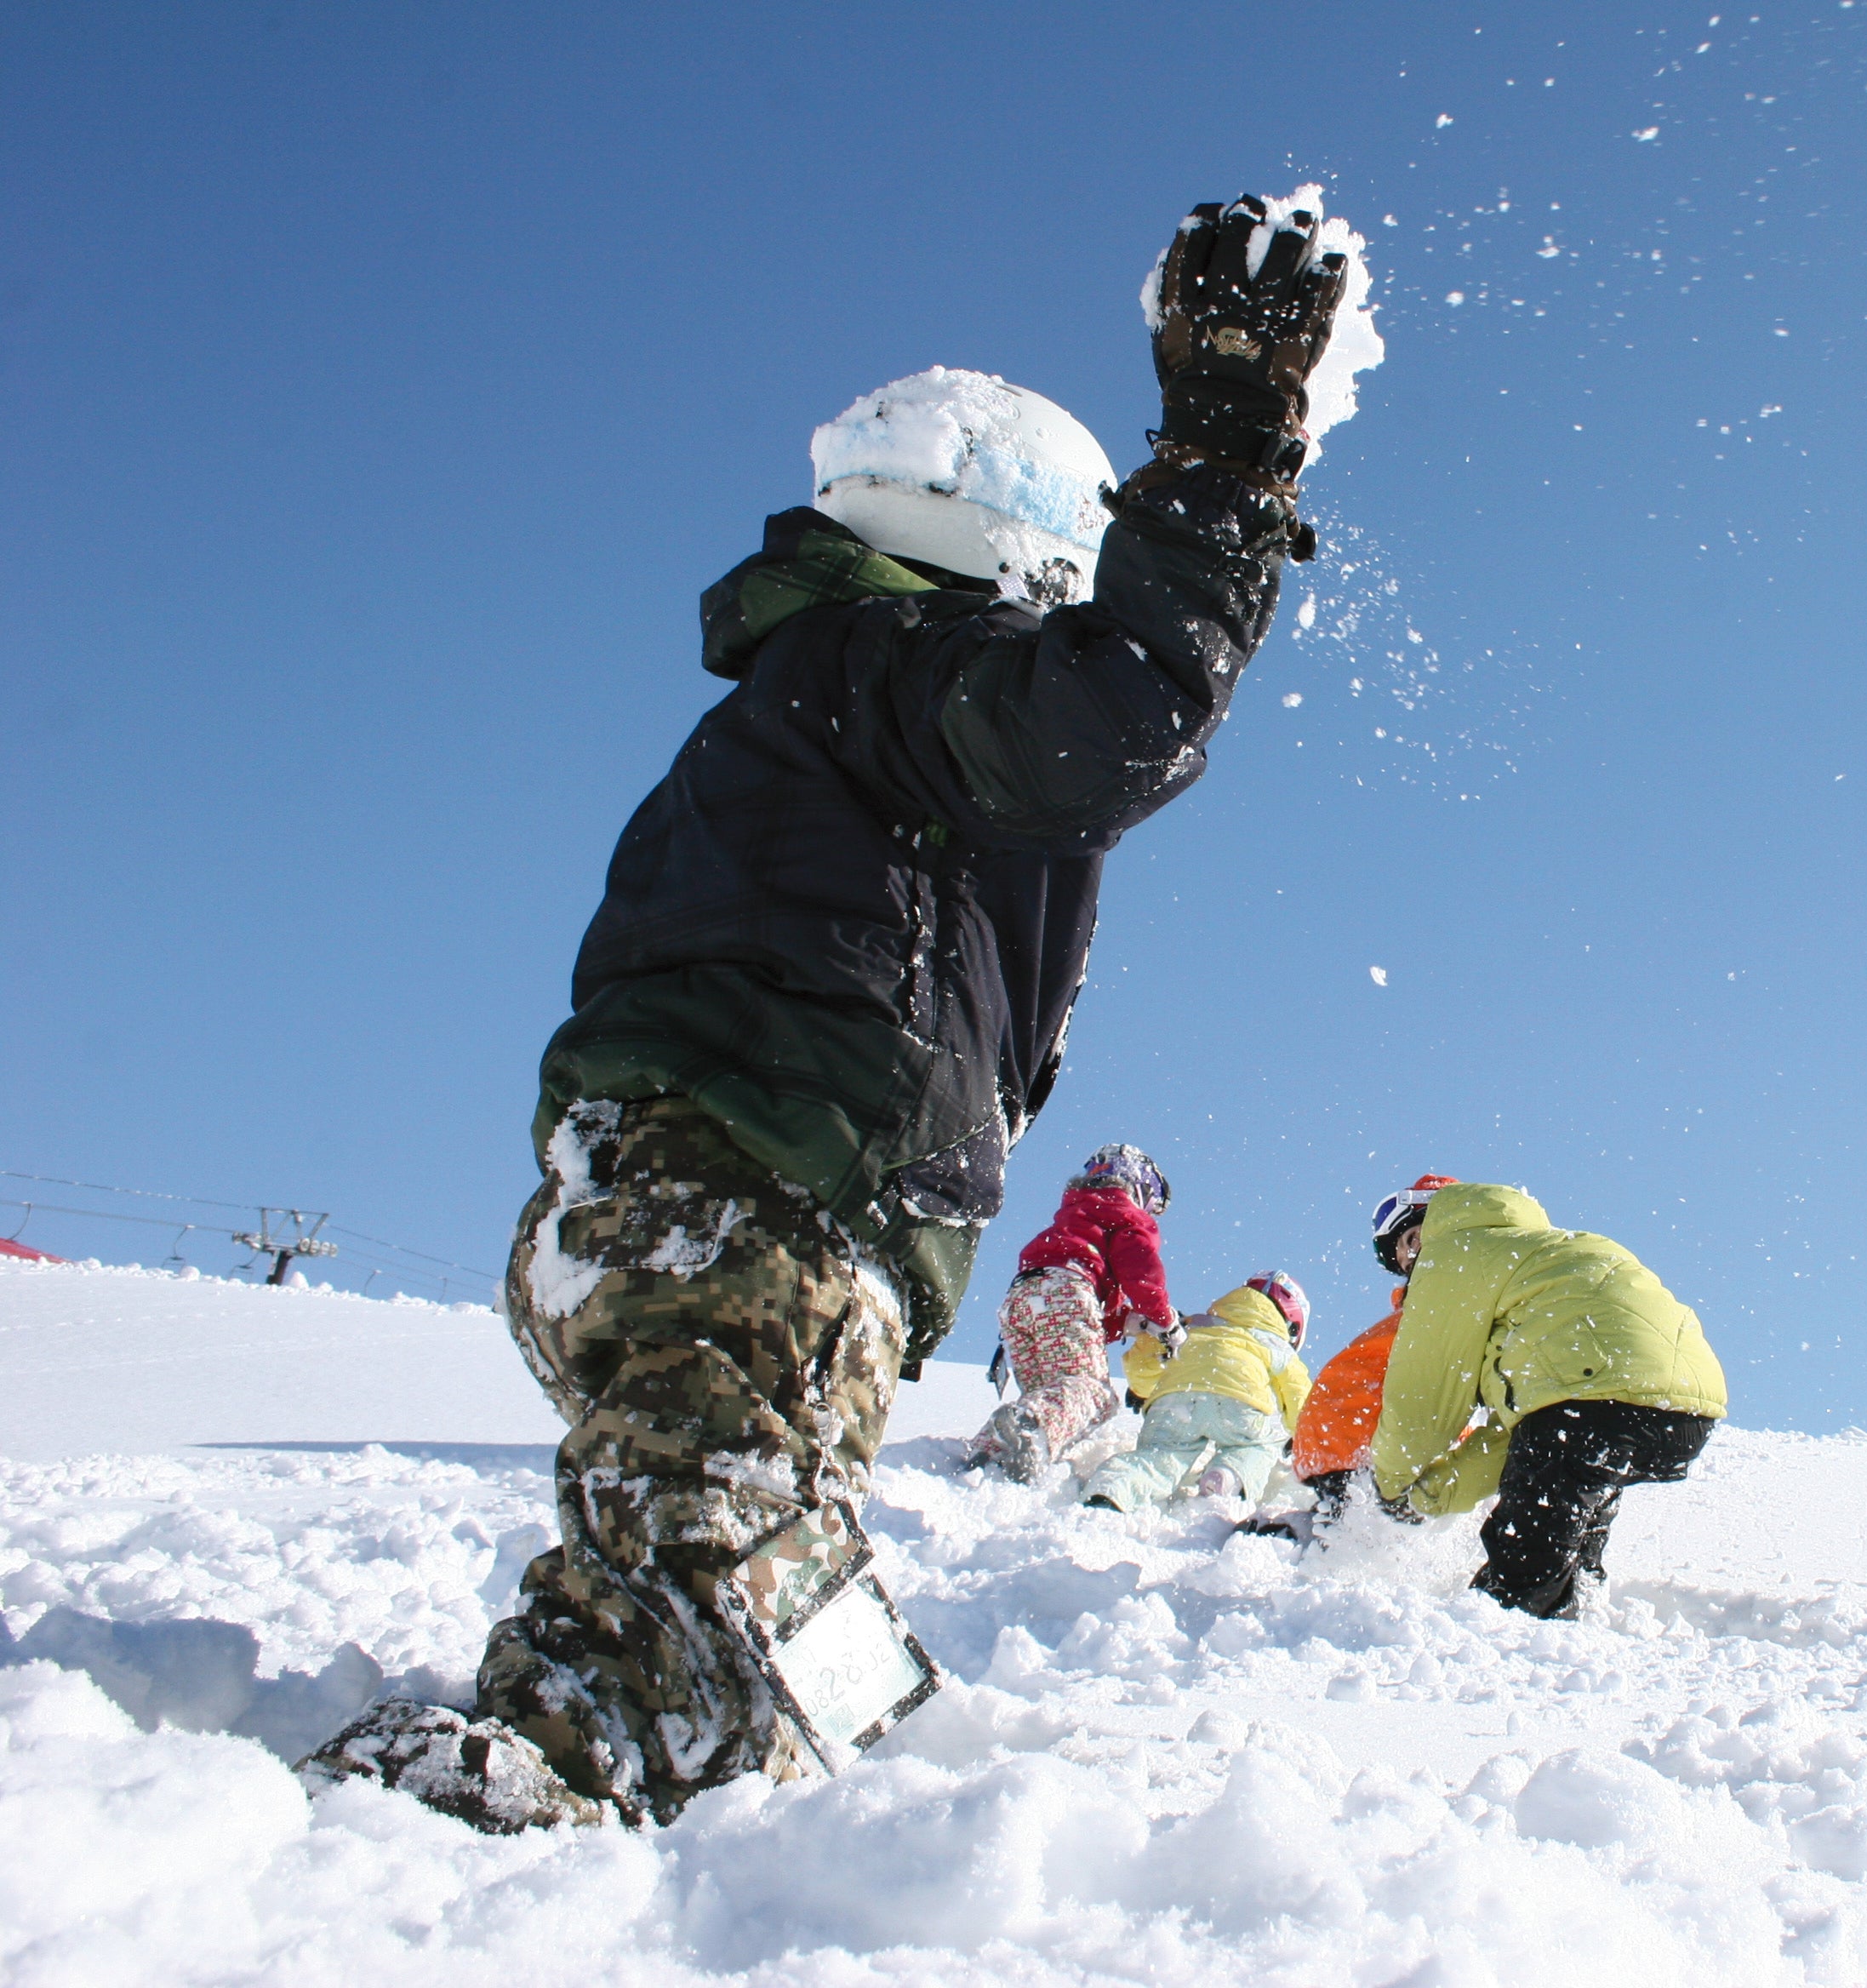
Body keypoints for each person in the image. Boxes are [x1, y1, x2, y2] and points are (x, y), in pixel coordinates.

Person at [300, 193, 1359, 1832]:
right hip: (752, 1187)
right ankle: (506, 1787)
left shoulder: (831, 696)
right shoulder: (890, 661)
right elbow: (1112, 719)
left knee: (765, 1534)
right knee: (700, 1549)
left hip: (743, 1197)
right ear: (996, 532)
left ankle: (806, 1785)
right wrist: (1224, 453)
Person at [1368, 1180, 1728, 1620]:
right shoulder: (1546, 1260)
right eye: (1400, 1261)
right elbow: (1512, 1441)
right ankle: (1579, 1629)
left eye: (1409, 1240)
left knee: (1522, 1572)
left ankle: (1492, 1652)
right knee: (1570, 1529)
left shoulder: (1456, 1253)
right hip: (1683, 1416)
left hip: (1589, 1404)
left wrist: (1392, 1487)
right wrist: (1432, 1495)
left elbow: (1423, 1394)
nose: (1409, 1260)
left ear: (1437, 1218)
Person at [968, 1144, 1183, 1482]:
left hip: (1024, 1300)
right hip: (1068, 1289)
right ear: (1138, 1187)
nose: (1151, 1213)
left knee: (1052, 1393)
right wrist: (1164, 1319)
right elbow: (1140, 1269)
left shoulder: (1077, 1213)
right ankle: (1028, 1425)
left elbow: (1088, 1318)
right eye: (1153, 1203)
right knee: (1094, 1396)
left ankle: (991, 1452)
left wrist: (1134, 1323)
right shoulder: (1126, 1213)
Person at [1288, 1174, 1459, 1522]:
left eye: (1414, 1240)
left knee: (1350, 1527)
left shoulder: (1422, 1308)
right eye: (1405, 1248)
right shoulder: (1441, 1303)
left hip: (1336, 1444)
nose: (1409, 1258)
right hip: (1365, 1445)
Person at [1082, 1271, 1311, 1511]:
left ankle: (1110, 1489)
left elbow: (1148, 1353)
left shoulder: (1193, 1323)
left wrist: (1142, 1389)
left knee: (1159, 1455)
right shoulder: (1276, 1344)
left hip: (1175, 1401)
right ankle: (1228, 1478)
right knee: (1256, 1446)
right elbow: (1299, 1392)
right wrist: (1302, 1434)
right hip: (1239, 1402)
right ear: (1292, 1324)